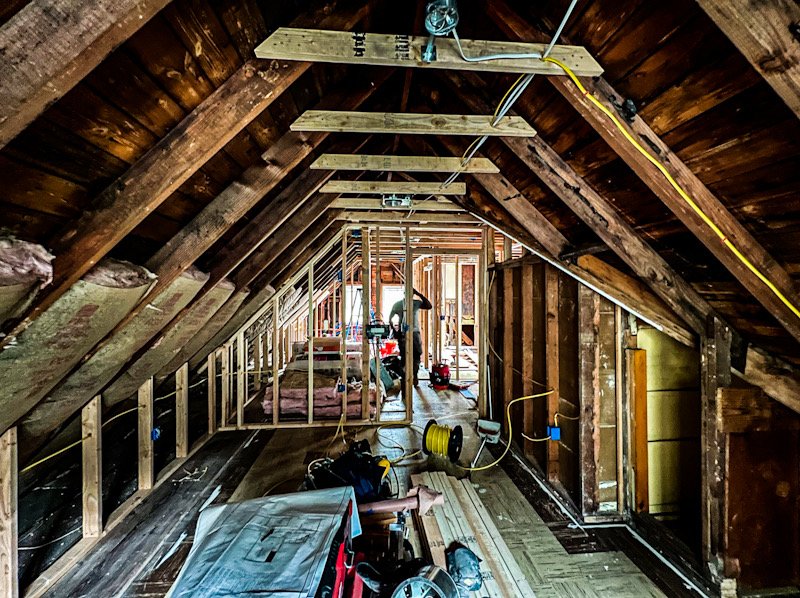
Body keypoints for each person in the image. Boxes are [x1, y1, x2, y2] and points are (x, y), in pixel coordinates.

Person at [389, 288, 432, 386]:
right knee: (405, 357)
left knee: (415, 356)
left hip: (412, 333)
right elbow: (390, 318)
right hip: (406, 334)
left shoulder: (415, 303)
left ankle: (414, 376)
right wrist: (395, 332)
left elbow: (429, 306)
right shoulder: (399, 304)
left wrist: (419, 294)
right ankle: (406, 378)